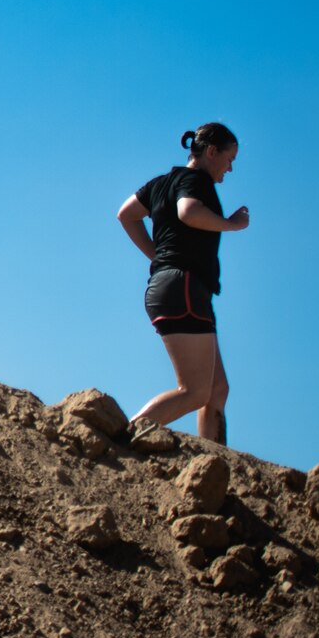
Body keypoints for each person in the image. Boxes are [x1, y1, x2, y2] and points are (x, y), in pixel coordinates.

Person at [117, 123, 250, 446]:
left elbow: (126, 214)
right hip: (183, 286)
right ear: (211, 152)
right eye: (229, 158)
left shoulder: (162, 183)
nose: (230, 168)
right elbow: (188, 212)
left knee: (216, 389)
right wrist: (231, 225)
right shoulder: (196, 180)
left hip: (176, 285)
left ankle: (216, 461)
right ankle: (120, 437)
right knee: (194, 390)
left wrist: (156, 255)